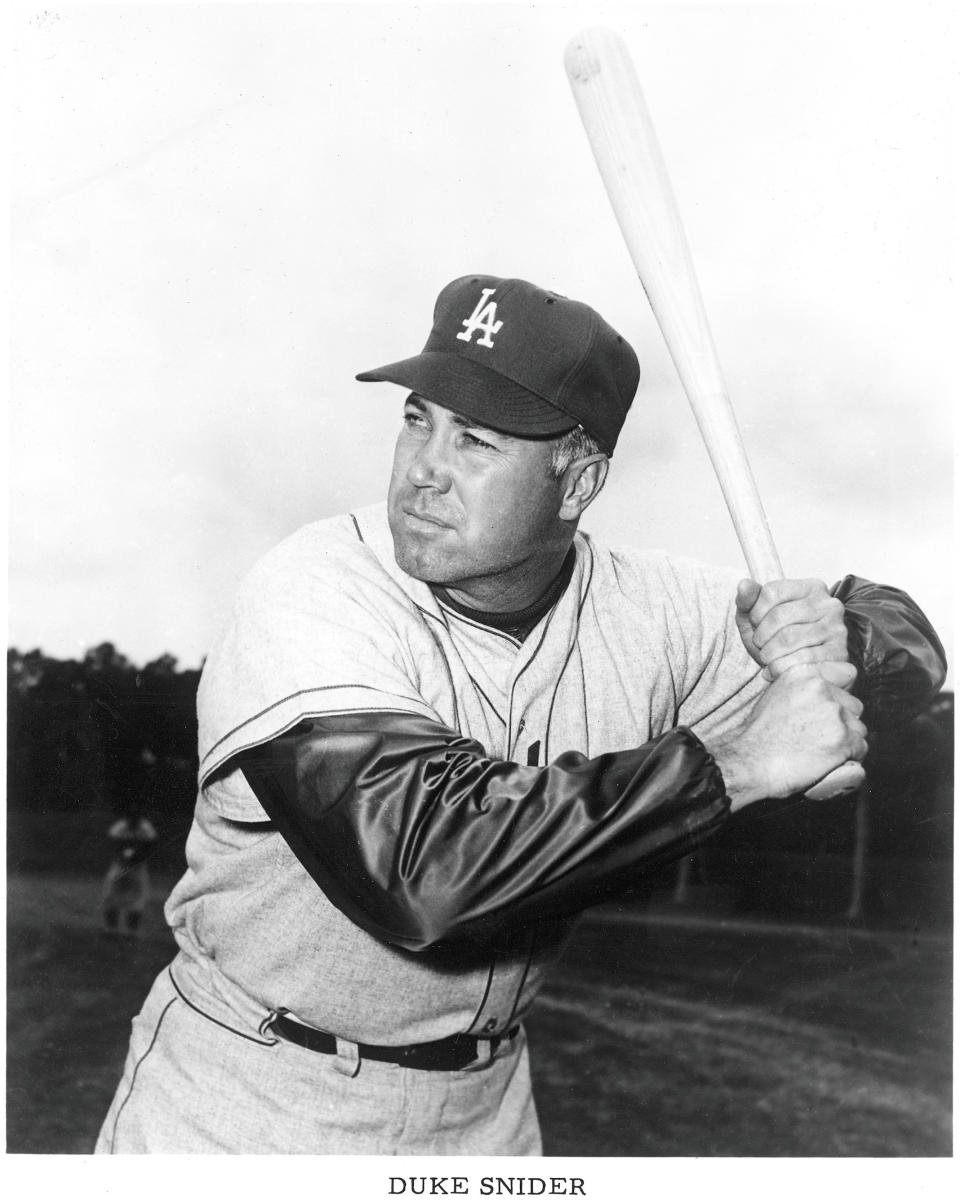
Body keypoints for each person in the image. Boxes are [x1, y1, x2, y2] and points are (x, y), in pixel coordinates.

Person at [96, 273, 945, 1154]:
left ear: (577, 481)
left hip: (487, 1107)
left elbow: (906, 644)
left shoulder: (651, 607)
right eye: (417, 419)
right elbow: (428, 871)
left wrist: (842, 639)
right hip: (249, 1094)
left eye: (477, 441)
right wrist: (738, 762)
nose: (424, 470)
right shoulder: (315, 589)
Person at [100, 806, 158, 938]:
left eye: (135, 817)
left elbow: (150, 848)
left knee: (137, 898)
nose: (133, 819)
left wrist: (135, 856)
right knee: (110, 895)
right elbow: (113, 845)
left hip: (138, 867)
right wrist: (124, 857)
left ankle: (131, 932)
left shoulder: (145, 828)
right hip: (120, 866)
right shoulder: (120, 827)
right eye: (131, 817)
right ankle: (111, 930)